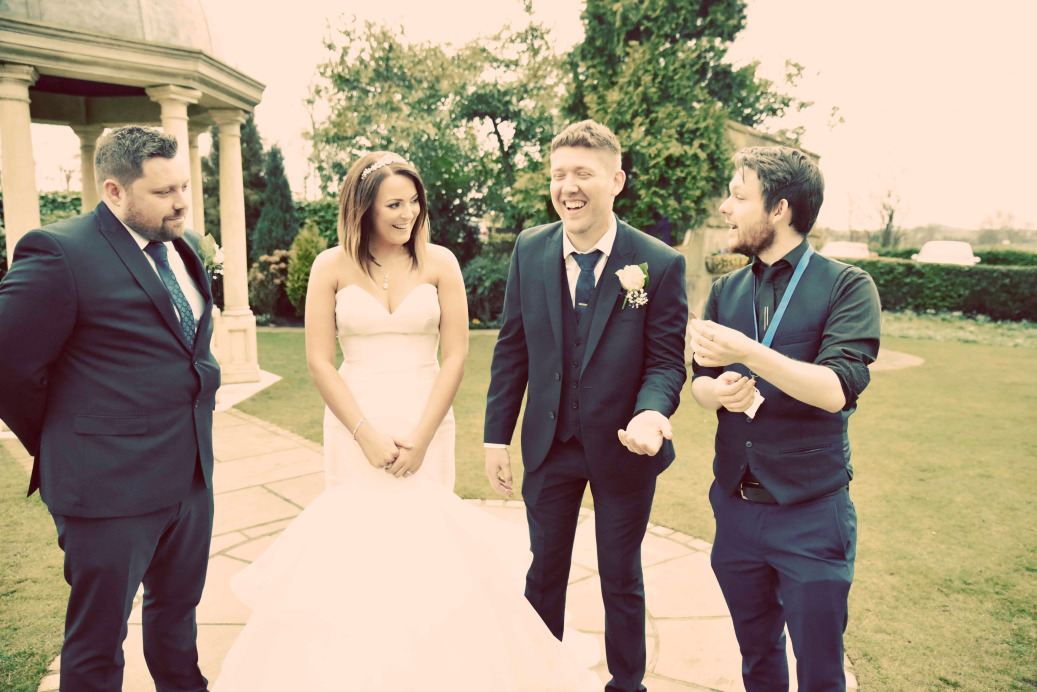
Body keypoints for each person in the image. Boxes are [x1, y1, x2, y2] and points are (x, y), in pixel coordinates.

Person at [212, 152, 601, 691]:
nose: (408, 214)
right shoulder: (330, 266)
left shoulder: (440, 263)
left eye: (414, 202)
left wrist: (420, 437)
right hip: (354, 423)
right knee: (355, 553)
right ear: (362, 208)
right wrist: (364, 433)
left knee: (429, 551)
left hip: (426, 416)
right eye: (394, 204)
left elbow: (457, 356)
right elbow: (320, 362)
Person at [0, 126, 219, 692]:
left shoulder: (181, 247)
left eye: (183, 187)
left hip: (189, 481)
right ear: (115, 191)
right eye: (162, 192)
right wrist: (55, 438)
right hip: (106, 490)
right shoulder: (59, 251)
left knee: (177, 628)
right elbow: (7, 362)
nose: (180, 203)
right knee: (98, 648)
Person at [484, 120, 689, 692]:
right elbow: (513, 346)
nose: (568, 186)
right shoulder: (530, 248)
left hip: (624, 448)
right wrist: (496, 436)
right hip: (549, 447)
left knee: (621, 577)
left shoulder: (656, 263)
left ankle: (628, 685)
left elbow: (667, 361)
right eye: (559, 175)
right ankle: (538, 677)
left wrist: (651, 413)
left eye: (583, 173)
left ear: (616, 180)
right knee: (543, 572)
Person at [687, 146, 881, 691]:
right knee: (757, 661)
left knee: (820, 673)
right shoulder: (727, 289)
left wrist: (748, 351)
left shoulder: (847, 286)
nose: (726, 207)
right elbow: (697, 381)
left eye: (739, 196)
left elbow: (836, 390)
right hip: (736, 513)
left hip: (811, 516)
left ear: (780, 209)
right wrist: (716, 392)